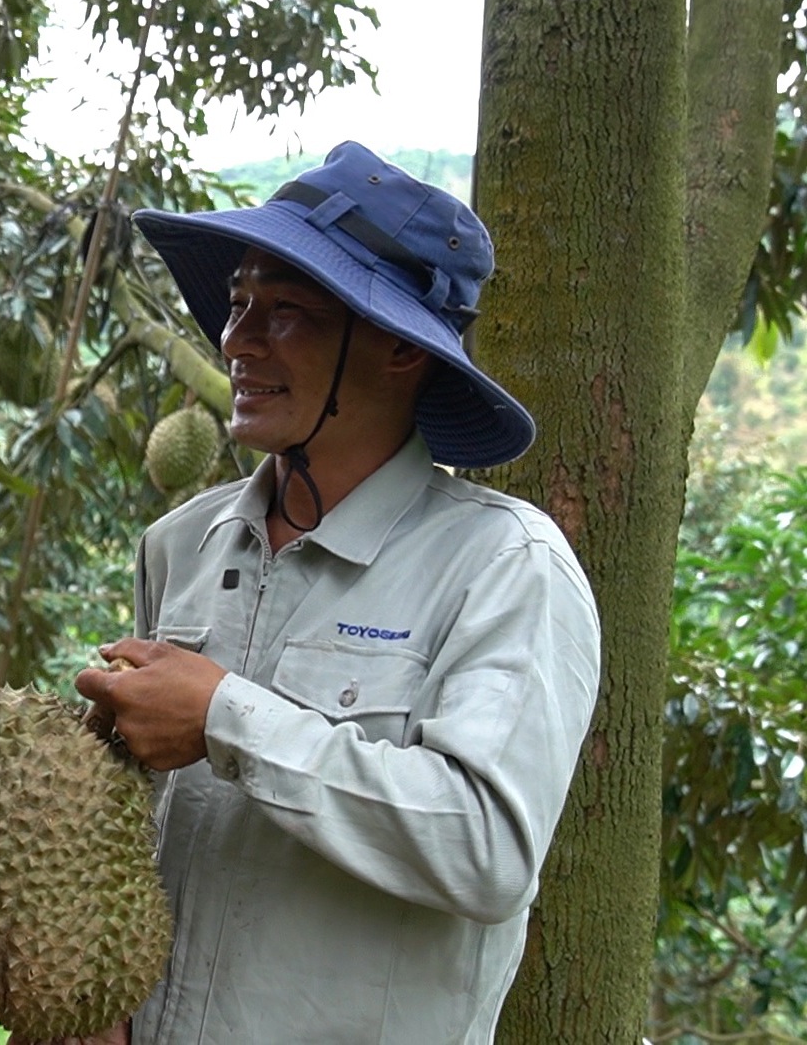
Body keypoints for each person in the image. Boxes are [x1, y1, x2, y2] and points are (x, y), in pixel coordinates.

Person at [66, 142, 601, 1043]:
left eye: (287, 313)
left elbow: (487, 850)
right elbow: (140, 827)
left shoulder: (505, 567)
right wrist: (94, 999)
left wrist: (227, 720)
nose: (237, 340)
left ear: (399, 350)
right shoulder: (179, 546)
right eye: (238, 305)